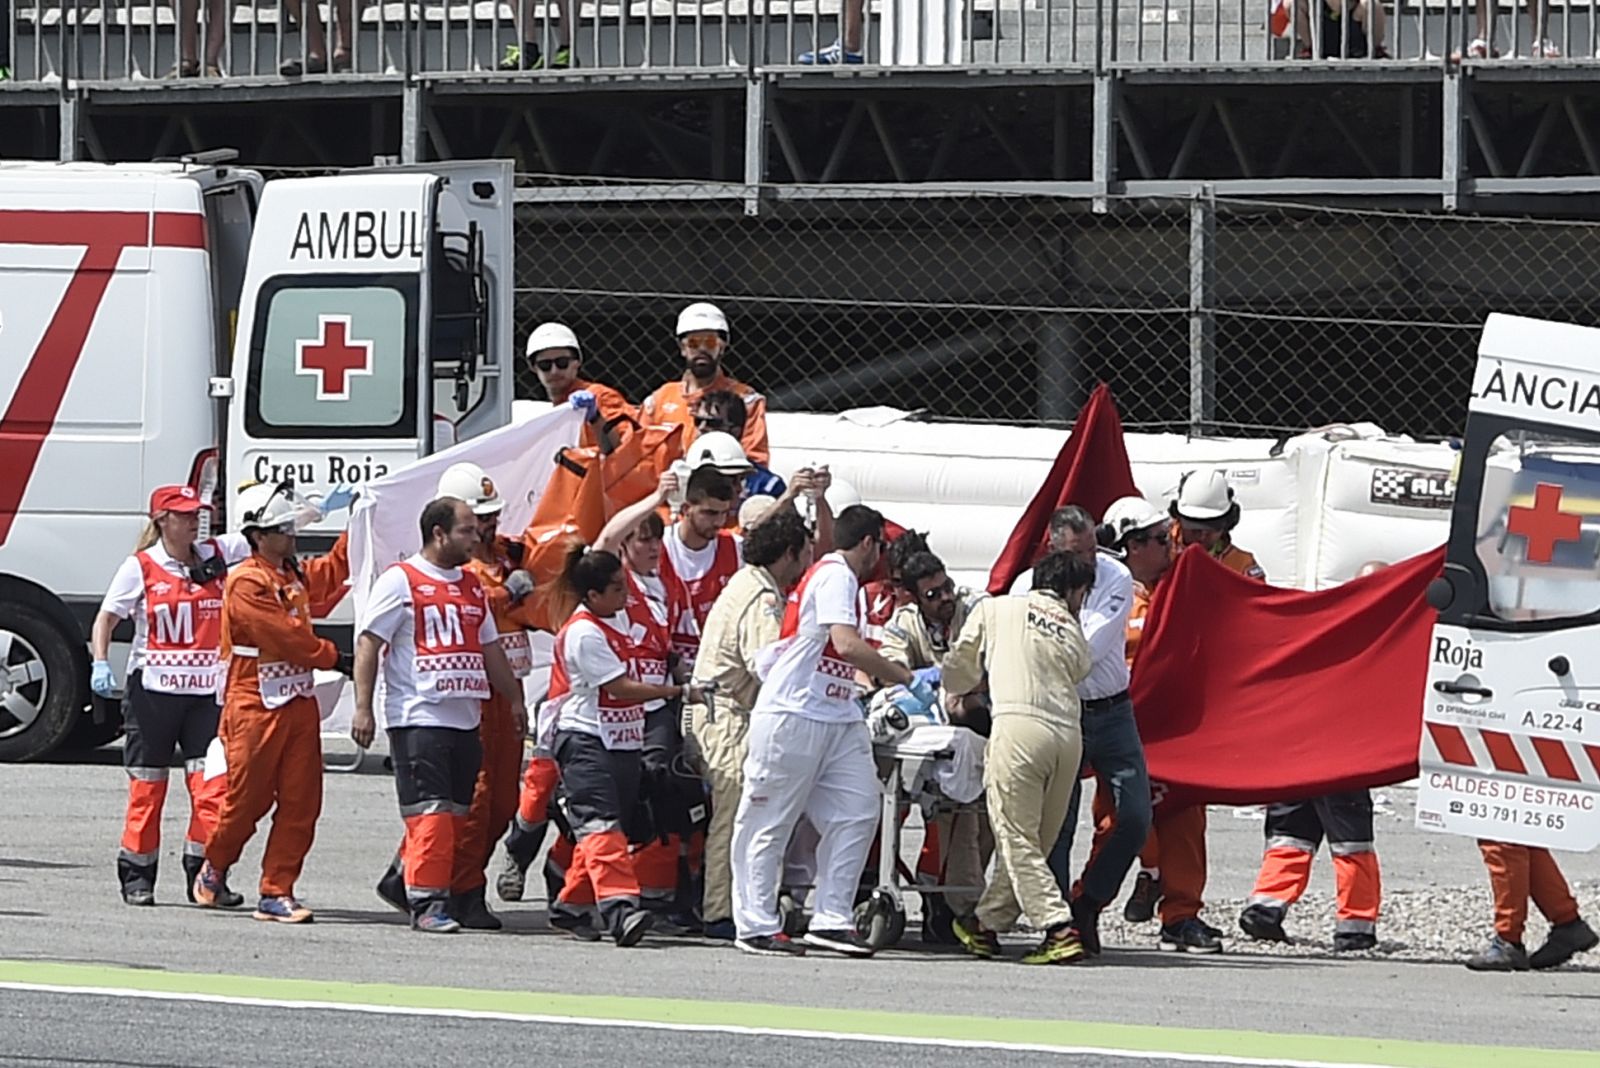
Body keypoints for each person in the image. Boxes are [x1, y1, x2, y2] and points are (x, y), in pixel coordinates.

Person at [729, 505, 932, 958]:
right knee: (769, 820)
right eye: (880, 545)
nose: (881, 555)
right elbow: (845, 643)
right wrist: (905, 677)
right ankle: (755, 924)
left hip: (835, 713)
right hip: (794, 713)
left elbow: (839, 653)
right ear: (867, 543)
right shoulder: (837, 574)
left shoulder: (843, 581)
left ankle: (831, 918)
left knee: (859, 810)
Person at [373, 465, 538, 931]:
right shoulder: (446, 571)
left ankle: (411, 875)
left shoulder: (506, 556)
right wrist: (508, 593)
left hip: (495, 689)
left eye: (490, 516)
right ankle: (459, 890)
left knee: (502, 802)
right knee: (463, 804)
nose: (487, 527)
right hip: (455, 699)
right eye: (478, 519)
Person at [193, 481, 351, 923]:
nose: (291, 534)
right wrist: (334, 656)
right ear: (258, 535)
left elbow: (331, 574)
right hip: (253, 702)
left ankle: (276, 889)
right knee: (248, 801)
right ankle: (215, 866)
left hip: (297, 698)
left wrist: (358, 525)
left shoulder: (291, 574)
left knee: (303, 801)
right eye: (282, 528)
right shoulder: (247, 582)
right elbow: (283, 636)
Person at [91, 485, 251, 906]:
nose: (192, 520)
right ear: (162, 520)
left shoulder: (215, 553)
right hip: (153, 695)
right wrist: (100, 662)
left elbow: (263, 532)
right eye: (182, 515)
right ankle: (138, 876)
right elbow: (106, 618)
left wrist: (314, 511)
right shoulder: (140, 566)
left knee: (211, 788)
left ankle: (205, 874)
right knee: (148, 788)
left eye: (196, 513)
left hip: (207, 695)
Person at [541, 549, 705, 945]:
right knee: (600, 825)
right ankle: (621, 910)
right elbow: (620, 688)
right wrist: (679, 691)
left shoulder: (620, 620)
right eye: (616, 589)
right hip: (586, 740)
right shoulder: (584, 632)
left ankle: (571, 905)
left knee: (619, 828)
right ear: (592, 595)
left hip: (623, 741)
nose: (625, 596)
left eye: (626, 586)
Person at [944, 551, 1097, 965]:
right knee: (1034, 843)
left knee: (1016, 837)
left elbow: (959, 666)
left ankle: (1058, 927)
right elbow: (1081, 669)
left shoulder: (996, 608)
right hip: (1067, 736)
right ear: (1069, 591)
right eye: (1081, 593)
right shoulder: (1071, 628)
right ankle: (986, 925)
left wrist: (958, 688)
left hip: (1018, 727)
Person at [1239, 560, 1386, 954]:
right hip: (1342, 757)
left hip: (1297, 750)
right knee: (1351, 840)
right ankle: (1355, 926)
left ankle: (1265, 907)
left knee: (1291, 832)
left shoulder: (1325, 623)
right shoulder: (1384, 639)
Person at [684, 507, 815, 941]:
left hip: (720, 710)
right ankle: (720, 910)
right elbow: (768, 665)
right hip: (728, 719)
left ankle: (732, 902)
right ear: (790, 553)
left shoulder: (746, 583)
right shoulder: (761, 599)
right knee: (737, 814)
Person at [593, 471, 702, 926]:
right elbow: (605, 537)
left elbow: (673, 641)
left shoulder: (666, 584)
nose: (653, 549)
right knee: (612, 797)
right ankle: (560, 871)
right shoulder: (611, 577)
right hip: (612, 707)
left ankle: (662, 890)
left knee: (667, 789)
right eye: (643, 541)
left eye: (658, 541)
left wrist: (680, 666)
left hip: (657, 705)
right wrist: (656, 497)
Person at [1043, 504, 1150, 958]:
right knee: (1059, 823)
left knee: (1135, 815)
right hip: (1062, 710)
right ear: (1054, 547)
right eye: (1076, 553)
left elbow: (1089, 645)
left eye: (1090, 549)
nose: (1088, 560)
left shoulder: (1115, 576)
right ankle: (1059, 922)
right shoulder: (1032, 581)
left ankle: (1090, 898)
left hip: (1111, 711)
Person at [879, 549, 993, 937]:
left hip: (983, 722)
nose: (945, 598)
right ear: (913, 597)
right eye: (933, 594)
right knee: (928, 808)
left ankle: (951, 897)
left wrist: (957, 683)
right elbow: (891, 672)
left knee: (980, 818)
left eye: (946, 588)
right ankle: (940, 897)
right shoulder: (903, 623)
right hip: (934, 732)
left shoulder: (977, 607)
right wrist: (932, 680)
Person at [639, 302, 770, 466]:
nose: (701, 349)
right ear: (682, 348)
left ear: (722, 347)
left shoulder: (746, 400)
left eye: (709, 342)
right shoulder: (658, 400)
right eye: (693, 343)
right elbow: (640, 457)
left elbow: (755, 463)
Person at [659, 467, 744, 672]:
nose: (719, 522)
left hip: (715, 667)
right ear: (687, 508)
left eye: (724, 513)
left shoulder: (735, 547)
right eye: (710, 513)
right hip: (664, 668)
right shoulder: (659, 547)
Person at [527, 321, 630, 454]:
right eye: (545, 365)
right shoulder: (536, 413)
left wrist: (596, 418)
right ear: (534, 368)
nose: (554, 371)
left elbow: (624, 449)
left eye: (562, 363)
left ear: (577, 363)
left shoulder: (601, 397)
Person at [694, 390, 786, 499]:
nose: (702, 428)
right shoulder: (683, 474)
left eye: (712, 423)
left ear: (735, 431)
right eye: (698, 421)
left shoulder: (766, 485)